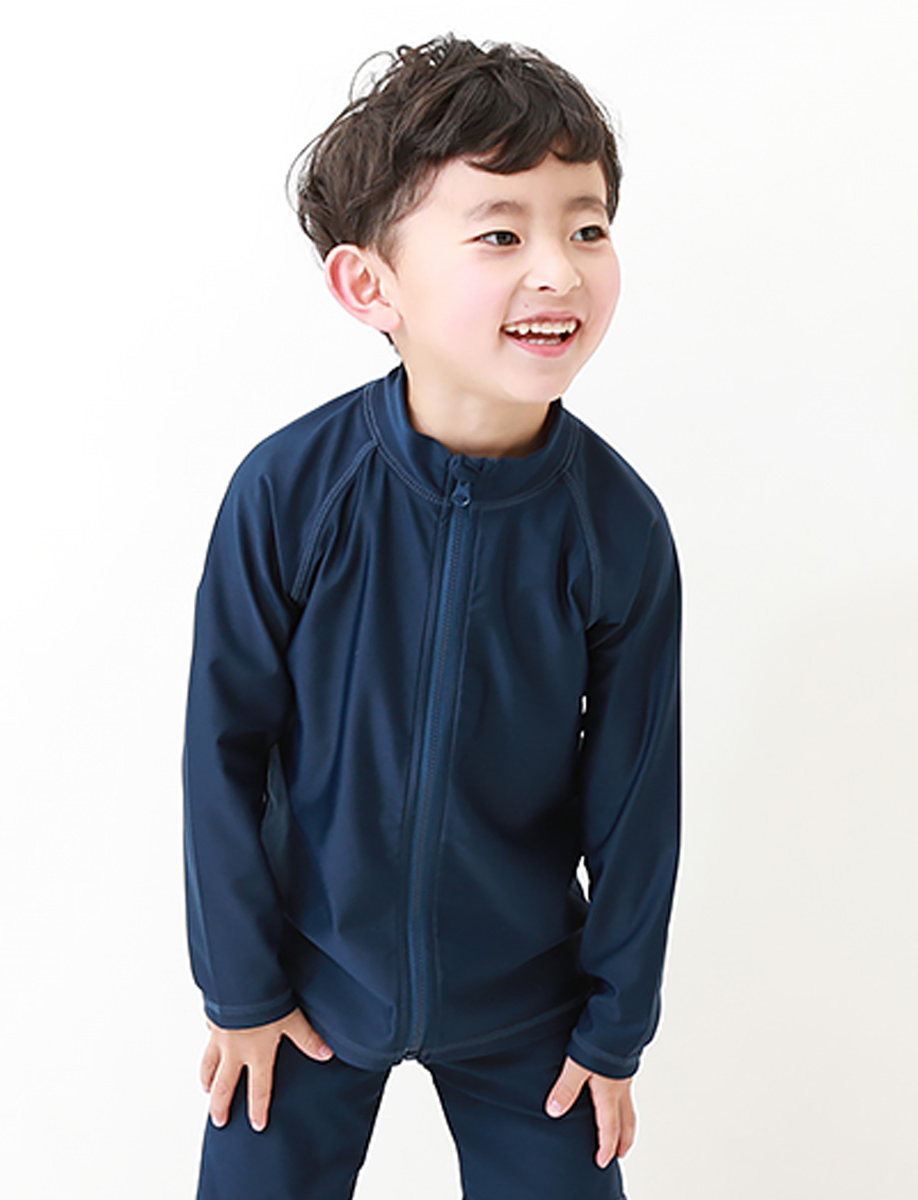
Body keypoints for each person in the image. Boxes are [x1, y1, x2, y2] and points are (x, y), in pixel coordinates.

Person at [182, 32, 682, 1200]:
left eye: (586, 227)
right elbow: (223, 747)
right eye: (501, 233)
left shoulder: (617, 527)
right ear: (371, 285)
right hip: (306, 986)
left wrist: (614, 1027)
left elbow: (636, 798)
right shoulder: (289, 491)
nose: (557, 270)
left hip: (532, 1005)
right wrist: (242, 990)